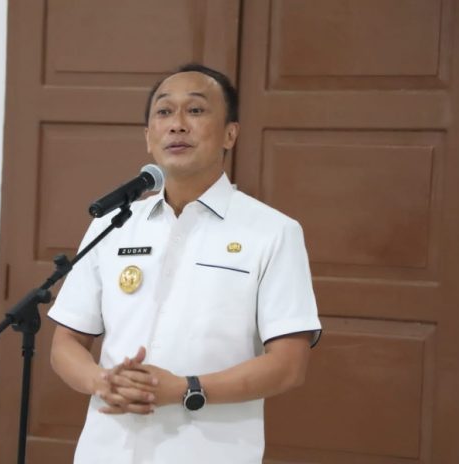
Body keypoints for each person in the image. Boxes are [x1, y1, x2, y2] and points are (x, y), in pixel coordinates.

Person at [48, 63, 321, 464]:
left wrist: (185, 388)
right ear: (148, 137)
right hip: (107, 451)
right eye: (164, 112)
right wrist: (103, 382)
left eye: (195, 110)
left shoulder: (273, 231)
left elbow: (289, 365)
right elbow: (66, 342)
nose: (177, 124)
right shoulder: (113, 225)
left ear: (230, 134)